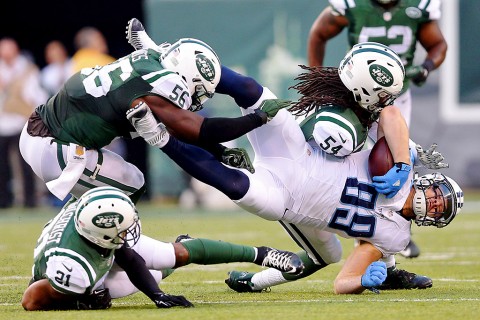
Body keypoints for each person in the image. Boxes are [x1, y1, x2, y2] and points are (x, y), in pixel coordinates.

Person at [127, 44, 463, 295]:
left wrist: (361, 281)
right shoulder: (393, 162)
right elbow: (389, 112)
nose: (435, 204)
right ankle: (168, 60)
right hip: (298, 153)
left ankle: (156, 136)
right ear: (431, 181)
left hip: (290, 201)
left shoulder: (396, 236)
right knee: (250, 91)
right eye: (439, 196)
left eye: (440, 209)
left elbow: (341, 283)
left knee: (231, 185)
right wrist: (403, 163)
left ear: (435, 221)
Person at [19, 25, 287, 205]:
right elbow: (202, 129)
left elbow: (179, 128)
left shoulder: (151, 60)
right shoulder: (158, 89)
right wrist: (257, 118)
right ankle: (89, 257)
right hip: (56, 145)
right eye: (199, 90)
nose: (197, 98)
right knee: (129, 189)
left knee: (114, 190)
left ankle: (77, 244)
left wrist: (218, 152)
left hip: (42, 129)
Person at [307, 0, 448, 258]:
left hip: (396, 96)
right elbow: (318, 34)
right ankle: (345, 225)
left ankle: (389, 239)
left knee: (394, 161)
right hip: (359, 94)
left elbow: (438, 44)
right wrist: (317, 80)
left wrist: (426, 68)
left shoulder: (419, 6)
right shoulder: (352, 4)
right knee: (349, 158)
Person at [21, 186, 304, 311]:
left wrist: (157, 297)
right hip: (80, 276)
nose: (128, 232)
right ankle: (173, 258)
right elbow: (30, 300)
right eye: (120, 231)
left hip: (92, 247)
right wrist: (78, 301)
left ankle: (262, 254)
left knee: (172, 255)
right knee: (153, 273)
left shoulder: (94, 210)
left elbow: (128, 256)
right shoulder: (75, 271)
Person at [0, 37, 49, 208]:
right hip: (2, 123)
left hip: (22, 121)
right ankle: (4, 201)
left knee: (26, 163)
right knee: (3, 165)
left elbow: (36, 95)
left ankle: (30, 200)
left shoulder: (27, 69)